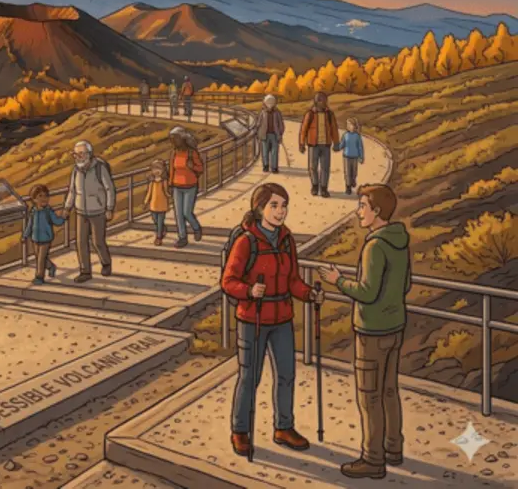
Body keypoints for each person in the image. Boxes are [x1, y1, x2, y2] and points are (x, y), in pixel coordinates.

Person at [222, 183, 323, 459]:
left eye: (284, 205)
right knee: (249, 377)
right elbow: (228, 281)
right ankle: (240, 430)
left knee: (287, 375)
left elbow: (292, 280)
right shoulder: (247, 241)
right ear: (260, 208)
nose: (281, 211)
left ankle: (283, 427)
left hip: (282, 318)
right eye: (274, 205)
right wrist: (249, 291)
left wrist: (309, 294)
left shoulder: (286, 240)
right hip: (252, 318)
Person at [318, 184, 410, 480]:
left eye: (362, 206)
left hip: (372, 330)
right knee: (389, 390)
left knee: (369, 396)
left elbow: (367, 292)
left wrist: (338, 280)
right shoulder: (400, 241)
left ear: (376, 211)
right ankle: (393, 448)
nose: (359, 211)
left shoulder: (374, 246)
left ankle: (373, 459)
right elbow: (406, 284)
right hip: (396, 325)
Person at [64, 140, 116, 283]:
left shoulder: (100, 168)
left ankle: (106, 263)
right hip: (81, 211)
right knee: (80, 242)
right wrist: (67, 207)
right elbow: (72, 191)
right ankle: (85, 271)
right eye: (76, 154)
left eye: (81, 154)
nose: (78, 157)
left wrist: (109, 208)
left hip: (98, 211)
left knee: (98, 242)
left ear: (89, 154)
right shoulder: (76, 170)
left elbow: (109, 189)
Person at [167, 126, 204, 248]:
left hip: (190, 186)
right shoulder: (174, 153)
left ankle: (196, 227)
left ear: (182, 139)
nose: (173, 142)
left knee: (187, 213)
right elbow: (172, 169)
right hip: (177, 186)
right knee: (178, 214)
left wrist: (192, 166)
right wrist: (170, 184)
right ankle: (182, 237)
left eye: (175, 139)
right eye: (171, 139)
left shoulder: (191, 153)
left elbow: (200, 168)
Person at [22, 184, 65, 284]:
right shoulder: (33, 211)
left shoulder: (48, 211)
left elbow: (56, 221)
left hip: (46, 238)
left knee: (41, 259)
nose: (44, 199)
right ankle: (51, 267)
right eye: (40, 196)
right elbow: (30, 224)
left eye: (46, 196)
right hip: (35, 238)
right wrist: (25, 235)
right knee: (40, 257)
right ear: (34, 199)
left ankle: (39, 277)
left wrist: (63, 218)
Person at [300, 91, 339, 197]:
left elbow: (334, 129)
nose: (324, 102)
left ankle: (324, 188)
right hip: (313, 145)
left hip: (326, 144)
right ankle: (315, 186)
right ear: (317, 102)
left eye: (325, 100)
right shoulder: (310, 114)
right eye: (321, 100)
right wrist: (302, 143)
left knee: (325, 168)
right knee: (312, 167)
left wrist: (336, 142)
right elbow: (304, 129)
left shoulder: (330, 114)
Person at [334, 117, 366, 194]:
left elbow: (360, 147)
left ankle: (353, 180)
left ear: (354, 126)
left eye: (350, 124)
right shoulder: (345, 135)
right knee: (347, 172)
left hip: (355, 157)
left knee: (354, 172)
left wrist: (361, 157)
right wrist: (337, 148)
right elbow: (342, 144)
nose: (348, 126)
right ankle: (348, 187)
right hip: (346, 156)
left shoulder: (357, 136)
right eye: (347, 124)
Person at [255, 94, 286, 173]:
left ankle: (274, 167)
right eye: (268, 102)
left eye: (271, 102)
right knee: (265, 151)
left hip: (275, 135)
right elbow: (259, 122)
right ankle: (266, 166)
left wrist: (280, 133)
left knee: (274, 152)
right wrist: (257, 131)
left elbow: (281, 124)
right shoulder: (262, 112)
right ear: (265, 102)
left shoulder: (277, 112)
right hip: (264, 135)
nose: (270, 104)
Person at [143, 160, 171, 246]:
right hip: (153, 204)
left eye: (159, 168)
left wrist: (169, 196)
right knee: (155, 220)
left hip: (162, 203)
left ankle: (158, 238)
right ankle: (163, 228)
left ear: (163, 170)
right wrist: (146, 201)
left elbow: (166, 191)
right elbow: (149, 192)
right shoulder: (152, 181)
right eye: (154, 169)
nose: (156, 171)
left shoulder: (164, 181)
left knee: (159, 221)